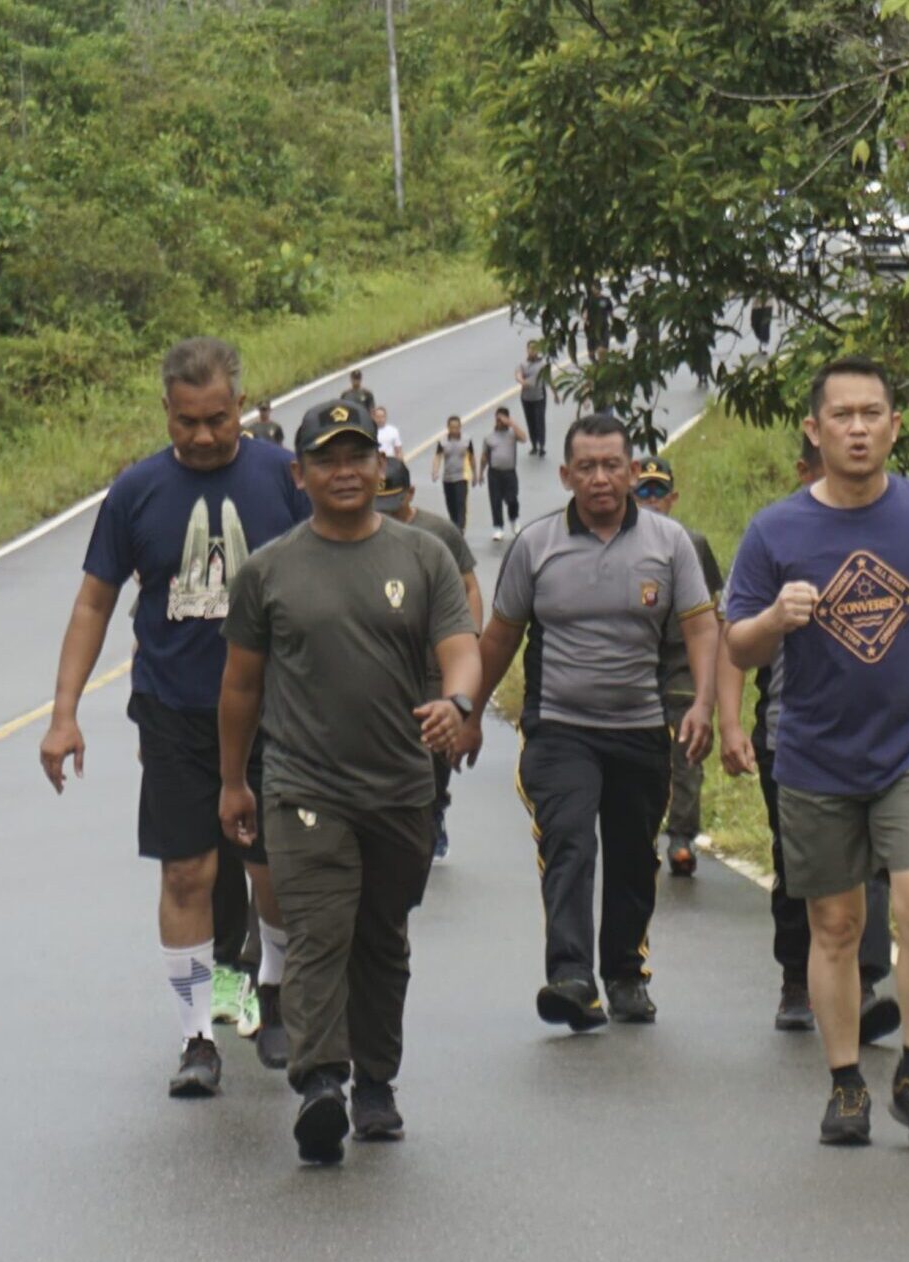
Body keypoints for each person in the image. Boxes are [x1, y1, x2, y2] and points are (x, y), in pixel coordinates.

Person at [724, 355, 909, 1151]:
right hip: (813, 756)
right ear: (814, 431)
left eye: (872, 414)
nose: (857, 428)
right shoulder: (776, 530)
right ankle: (845, 1082)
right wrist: (776, 619)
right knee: (838, 924)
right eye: (841, 416)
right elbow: (737, 645)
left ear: (895, 426)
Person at [40, 337, 307, 1098]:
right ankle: (196, 1038)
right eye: (186, 421)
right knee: (188, 871)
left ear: (241, 408)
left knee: (273, 869)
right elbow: (95, 599)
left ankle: (278, 995)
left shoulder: (281, 480)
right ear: (166, 411)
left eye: (217, 419)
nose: (201, 436)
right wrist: (65, 713)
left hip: (276, 712)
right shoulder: (135, 493)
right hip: (176, 712)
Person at [218, 399, 479, 1165]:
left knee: (381, 937)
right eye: (327, 459)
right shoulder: (268, 570)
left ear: (378, 466)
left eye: (357, 456)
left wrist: (459, 702)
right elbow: (239, 688)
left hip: (401, 786)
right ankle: (321, 1082)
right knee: (318, 931)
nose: (344, 471)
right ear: (299, 475)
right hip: (304, 786)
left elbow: (460, 648)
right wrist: (234, 781)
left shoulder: (422, 556)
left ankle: (376, 1083)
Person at [456, 414, 717, 1030]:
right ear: (567, 475)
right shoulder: (536, 545)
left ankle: (625, 973)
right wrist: (468, 712)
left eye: (613, 466)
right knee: (569, 840)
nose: (601, 479)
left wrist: (703, 703)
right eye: (588, 468)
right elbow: (500, 637)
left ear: (630, 471)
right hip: (560, 727)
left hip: (641, 727)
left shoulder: (669, 544)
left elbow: (702, 626)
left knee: (632, 856)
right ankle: (571, 976)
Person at [715, 437, 900, 1040]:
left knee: (872, 860)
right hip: (792, 733)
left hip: (878, 734)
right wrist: (731, 723)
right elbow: (734, 638)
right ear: (805, 469)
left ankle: (865, 984)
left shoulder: (891, 529)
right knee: (800, 864)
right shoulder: (777, 537)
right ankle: (798, 975)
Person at [375, 455, 483, 860]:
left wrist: (468, 638)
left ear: (411, 494)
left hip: (435, 655)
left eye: (394, 504)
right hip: (385, 656)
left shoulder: (438, 533)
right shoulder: (362, 532)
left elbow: (470, 587)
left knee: (437, 739)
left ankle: (434, 808)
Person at [631, 456, 722, 877]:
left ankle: (682, 837)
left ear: (672, 498)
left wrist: (714, 680)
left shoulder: (694, 543)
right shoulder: (623, 545)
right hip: (638, 668)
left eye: (657, 492)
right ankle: (641, 832)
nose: (650, 500)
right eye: (642, 492)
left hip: (684, 667)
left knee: (687, 755)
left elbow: (714, 611)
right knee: (642, 757)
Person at [481, 405, 522, 540]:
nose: (499, 422)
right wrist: (480, 473)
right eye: (497, 419)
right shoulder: (489, 437)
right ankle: (498, 527)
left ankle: (514, 519)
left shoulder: (512, 434)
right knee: (495, 501)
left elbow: (524, 438)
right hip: (494, 473)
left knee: (512, 498)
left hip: (509, 472)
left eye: (502, 419)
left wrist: (511, 423)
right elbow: (484, 456)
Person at [429, 414, 475, 532]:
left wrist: (475, 474)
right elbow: (438, 457)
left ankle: (460, 528)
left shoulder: (467, 440)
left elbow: (472, 457)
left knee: (461, 503)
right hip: (448, 478)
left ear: (460, 427)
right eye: (452, 427)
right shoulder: (443, 442)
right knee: (451, 504)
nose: (454, 430)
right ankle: (455, 525)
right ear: (448, 428)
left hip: (461, 477)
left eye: (456, 427)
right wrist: (435, 471)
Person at [515, 342, 551, 456]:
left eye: (535, 349)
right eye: (530, 349)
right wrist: (522, 381)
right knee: (530, 421)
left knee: (539, 421)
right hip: (526, 397)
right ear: (527, 350)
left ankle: (542, 445)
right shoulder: (523, 364)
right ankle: (534, 444)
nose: (532, 351)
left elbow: (548, 379)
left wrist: (555, 393)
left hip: (539, 397)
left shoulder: (543, 364)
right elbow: (518, 374)